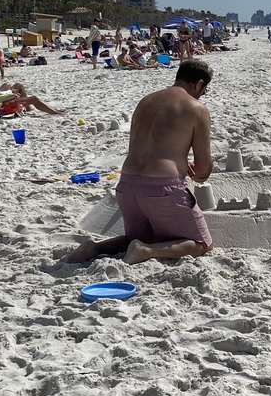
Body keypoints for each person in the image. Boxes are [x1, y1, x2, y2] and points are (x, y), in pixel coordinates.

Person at [64, 60, 215, 265]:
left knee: (136, 238)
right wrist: (197, 171)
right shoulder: (197, 108)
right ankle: (145, 251)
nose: (201, 96)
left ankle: (95, 248)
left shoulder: (146, 101)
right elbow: (203, 170)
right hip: (162, 189)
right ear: (198, 84)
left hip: (127, 185)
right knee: (202, 243)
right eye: (203, 91)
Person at [0, 76, 64, 115]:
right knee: (34, 98)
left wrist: (9, 91)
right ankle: (54, 112)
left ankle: (27, 107)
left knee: (19, 85)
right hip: (5, 104)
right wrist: (10, 93)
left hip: (5, 99)